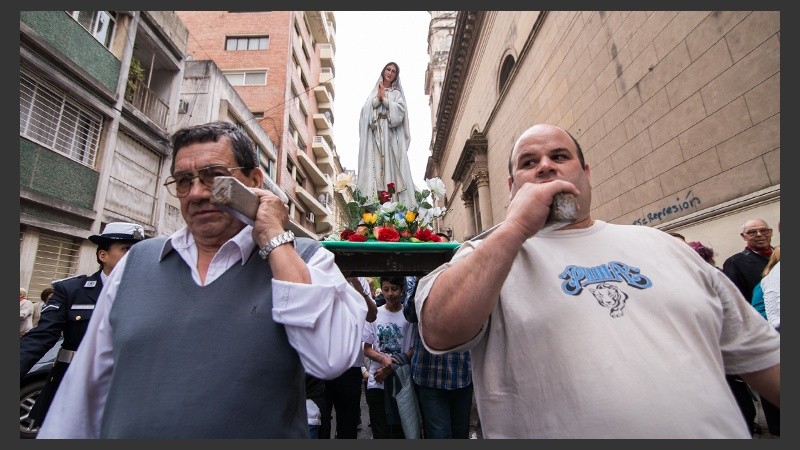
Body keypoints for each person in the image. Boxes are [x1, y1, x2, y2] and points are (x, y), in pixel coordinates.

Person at [413, 123, 780, 438]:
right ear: (511, 187)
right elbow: (440, 329)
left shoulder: (664, 246)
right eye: (529, 162)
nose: (545, 166)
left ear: (585, 173)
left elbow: (764, 359)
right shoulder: (488, 258)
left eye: (559, 157)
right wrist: (516, 228)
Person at [37, 121, 368, 439]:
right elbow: (86, 388)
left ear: (255, 180)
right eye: (184, 181)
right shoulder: (136, 262)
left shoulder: (307, 260)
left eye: (214, 177)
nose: (196, 193)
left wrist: (273, 238)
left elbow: (330, 359)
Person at [20, 222, 145, 428]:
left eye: (137, 250)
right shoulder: (71, 290)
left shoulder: (149, 292)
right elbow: (41, 337)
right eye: (125, 249)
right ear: (103, 255)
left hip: (126, 388)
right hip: (73, 382)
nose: (134, 256)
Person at [720, 218, 775, 435]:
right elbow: (735, 302)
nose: (760, 235)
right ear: (744, 237)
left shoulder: (778, 256)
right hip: (760, 327)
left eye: (764, 230)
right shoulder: (736, 262)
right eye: (753, 232)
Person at [403, 276, 473, 439]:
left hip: (461, 372)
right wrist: (422, 281)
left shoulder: (463, 262)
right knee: (439, 435)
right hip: (429, 373)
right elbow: (410, 314)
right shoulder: (414, 277)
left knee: (460, 435)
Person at [318, 277, 377, 439]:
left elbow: (372, 315)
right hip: (321, 363)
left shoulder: (359, 281)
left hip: (350, 366)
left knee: (348, 426)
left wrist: (357, 285)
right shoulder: (321, 271)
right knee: (320, 424)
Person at [356, 62, 416, 207]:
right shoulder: (374, 91)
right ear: (383, 71)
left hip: (391, 137)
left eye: (394, 71)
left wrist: (385, 100)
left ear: (396, 75)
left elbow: (399, 114)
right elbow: (365, 113)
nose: (390, 72)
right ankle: (378, 203)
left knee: (392, 168)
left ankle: (394, 203)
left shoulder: (397, 94)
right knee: (376, 167)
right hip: (375, 136)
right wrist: (378, 98)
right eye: (388, 69)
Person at [363, 276, 415, 439]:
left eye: (394, 289)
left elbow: (412, 349)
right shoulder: (375, 314)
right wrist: (383, 360)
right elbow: (367, 348)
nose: (390, 293)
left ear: (402, 290)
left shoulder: (408, 317)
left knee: (401, 430)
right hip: (376, 381)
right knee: (380, 431)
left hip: (401, 381)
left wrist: (389, 367)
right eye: (386, 289)